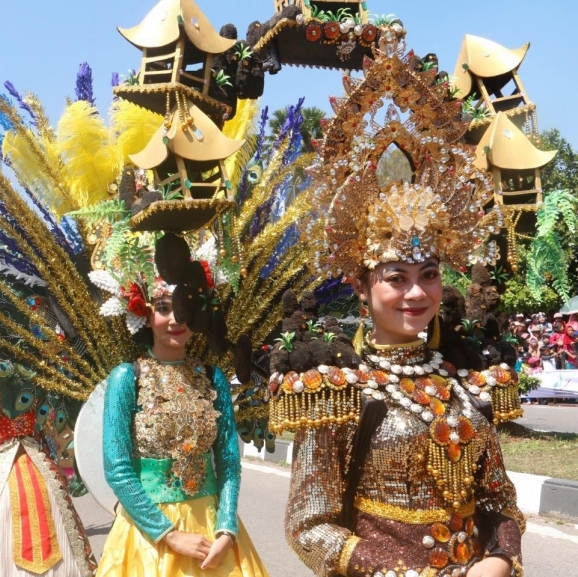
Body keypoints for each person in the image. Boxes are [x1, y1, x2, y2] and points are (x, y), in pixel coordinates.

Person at [270, 44, 524, 577]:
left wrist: (498, 560)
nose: (416, 294)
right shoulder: (336, 387)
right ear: (362, 287)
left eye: (428, 275)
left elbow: (500, 501)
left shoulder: (469, 379)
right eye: (396, 279)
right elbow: (308, 526)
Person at [97, 277, 268, 577]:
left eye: (185, 308)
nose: (176, 318)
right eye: (163, 308)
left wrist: (227, 529)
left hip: (212, 533)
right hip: (148, 537)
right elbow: (117, 469)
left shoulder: (214, 379)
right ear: (146, 316)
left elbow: (228, 462)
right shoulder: (126, 378)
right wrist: (170, 535)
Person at [0, 373, 97, 577]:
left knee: (48, 500)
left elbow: (45, 425)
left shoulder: (34, 378)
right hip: (0, 454)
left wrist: (54, 461)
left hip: (34, 454)